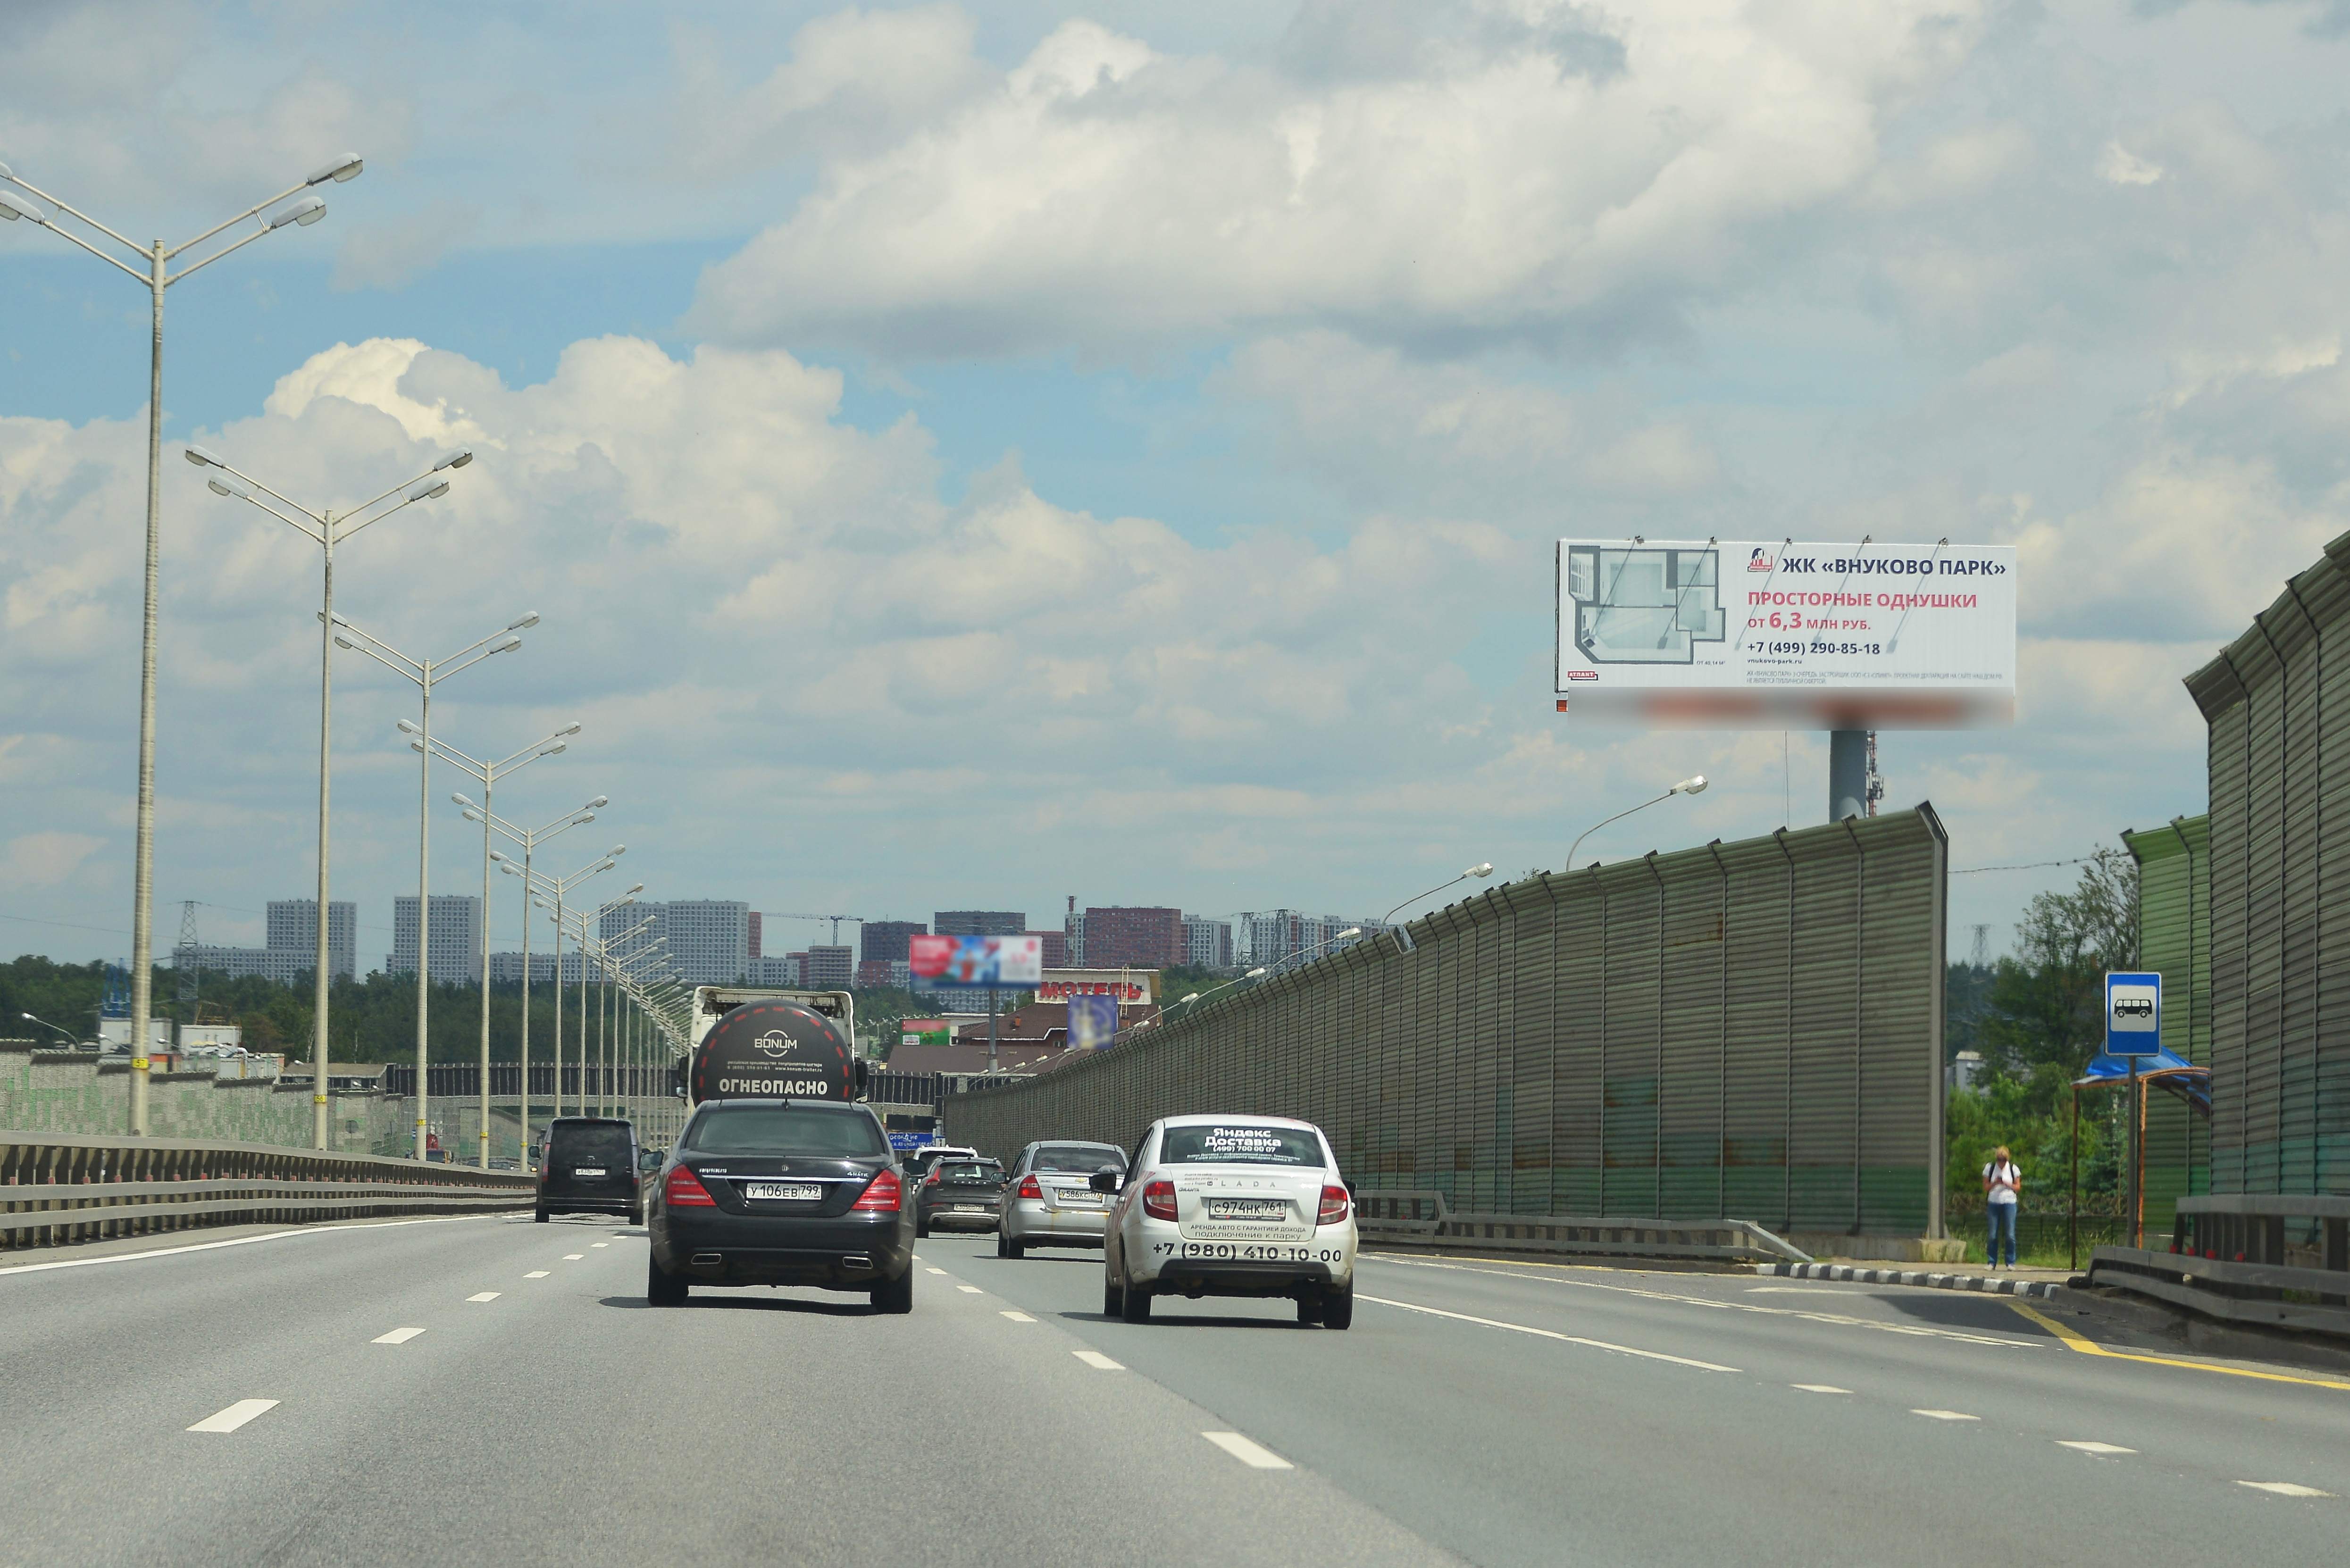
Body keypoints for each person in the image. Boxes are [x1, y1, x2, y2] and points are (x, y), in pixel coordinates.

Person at [1982, 1145, 2021, 1269]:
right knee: (1993, 1235)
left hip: (2009, 1202)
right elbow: (1986, 1187)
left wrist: (2007, 1183)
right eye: (1999, 1160)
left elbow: (2018, 1187)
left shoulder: (2013, 1169)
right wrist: (1995, 1183)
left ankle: (2010, 1262)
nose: (2001, 1163)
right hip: (1994, 1203)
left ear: (2007, 1159)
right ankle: (1992, 1262)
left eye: (2004, 1160)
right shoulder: (1990, 1168)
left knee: (2010, 1235)